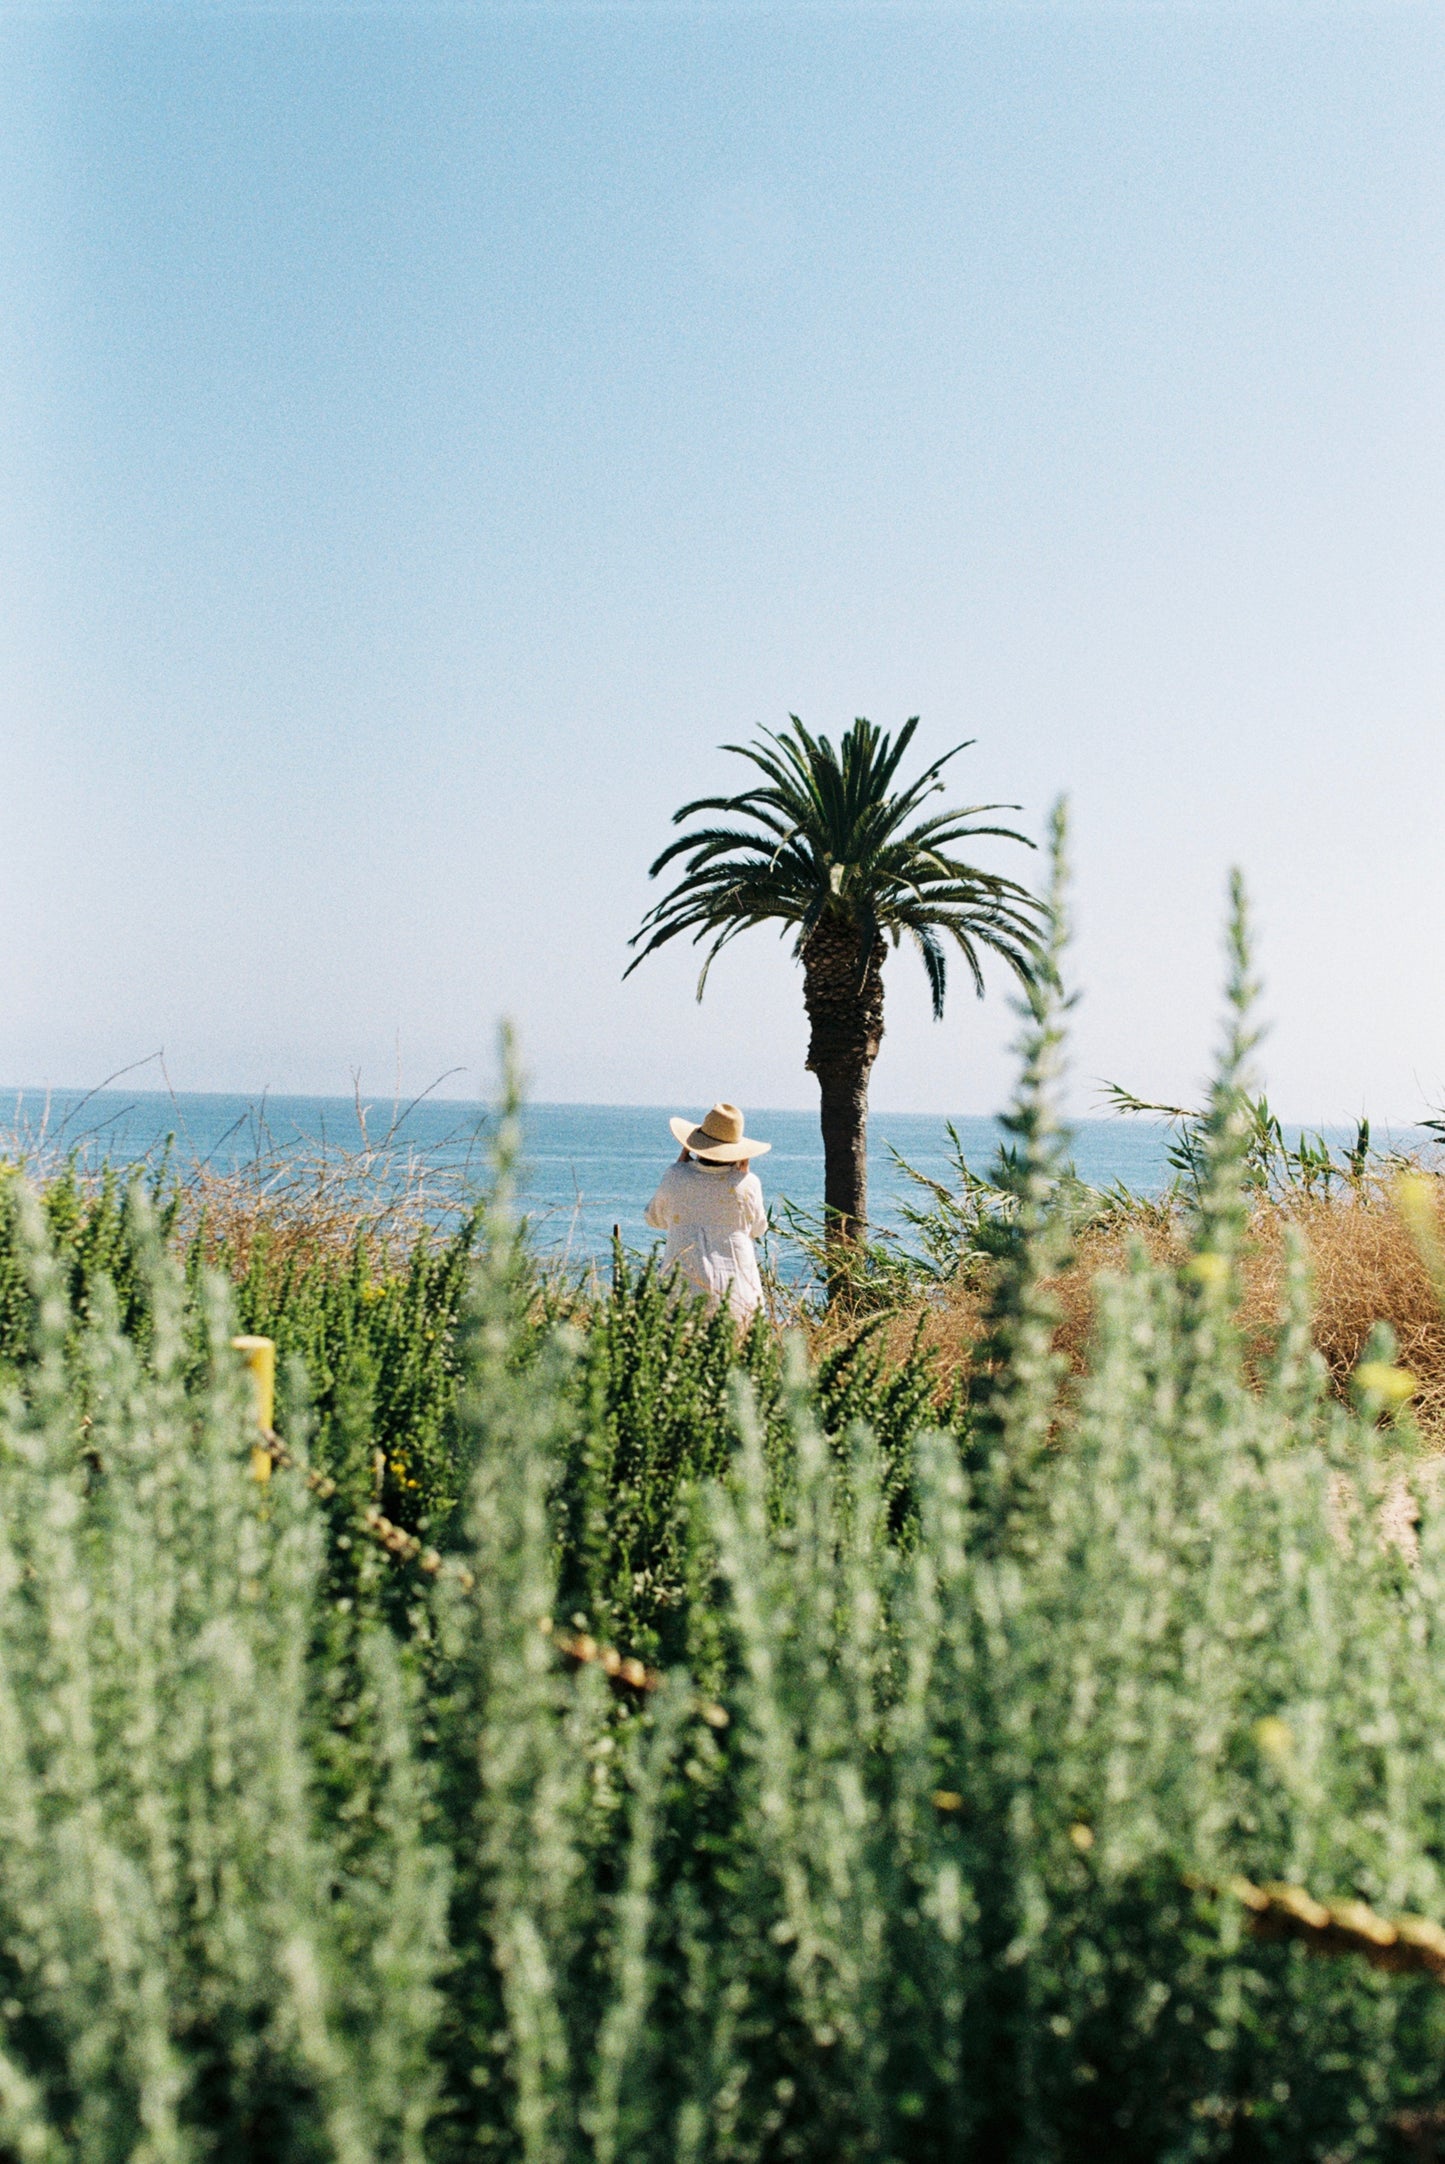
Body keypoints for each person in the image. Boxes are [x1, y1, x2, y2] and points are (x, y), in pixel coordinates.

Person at [644, 1101, 771, 1321]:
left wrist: (679, 1165)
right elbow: (759, 1229)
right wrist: (744, 1179)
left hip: (682, 1295)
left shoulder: (675, 1176)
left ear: (694, 1146)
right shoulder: (749, 1184)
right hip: (738, 1297)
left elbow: (653, 1218)